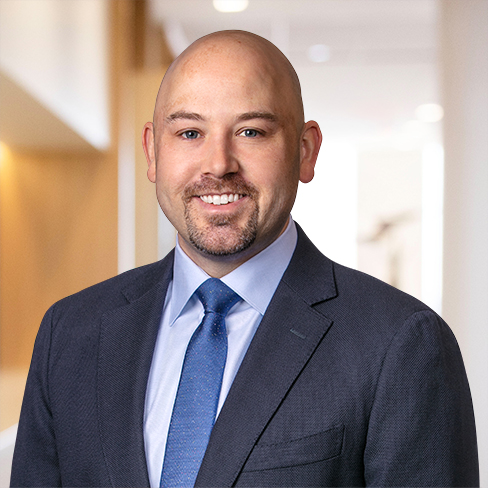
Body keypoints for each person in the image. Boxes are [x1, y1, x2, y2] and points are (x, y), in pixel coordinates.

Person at [11, 30, 478, 488]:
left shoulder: (400, 344)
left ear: (305, 151)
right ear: (153, 151)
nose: (218, 164)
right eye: (190, 132)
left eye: (251, 131)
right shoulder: (70, 333)